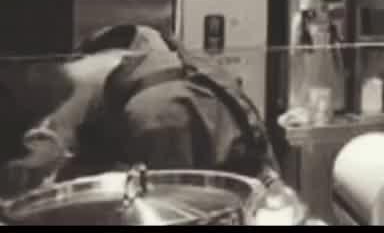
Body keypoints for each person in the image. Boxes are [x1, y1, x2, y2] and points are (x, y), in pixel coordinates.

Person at [2, 25, 277, 195]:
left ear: (40, 139)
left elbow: (170, 210)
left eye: (29, 173)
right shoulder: (114, 47)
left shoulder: (157, 116)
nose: (42, 180)